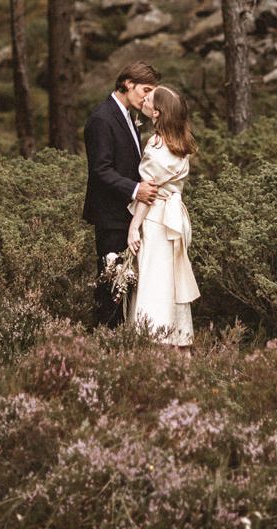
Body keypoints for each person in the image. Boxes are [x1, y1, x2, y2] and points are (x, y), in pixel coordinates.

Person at [83, 61, 161, 328]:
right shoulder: (101, 118)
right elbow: (100, 170)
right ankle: (104, 340)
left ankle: (119, 340)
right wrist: (136, 189)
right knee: (111, 284)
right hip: (111, 215)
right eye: (145, 89)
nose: (148, 97)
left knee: (124, 282)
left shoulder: (128, 116)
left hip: (125, 214)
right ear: (128, 83)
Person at [126, 85, 200, 350]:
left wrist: (134, 227)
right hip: (175, 219)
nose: (144, 99)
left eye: (150, 98)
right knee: (172, 282)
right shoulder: (180, 142)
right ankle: (178, 342)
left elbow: (148, 192)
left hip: (158, 220)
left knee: (153, 281)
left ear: (156, 112)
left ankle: (153, 342)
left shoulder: (156, 146)